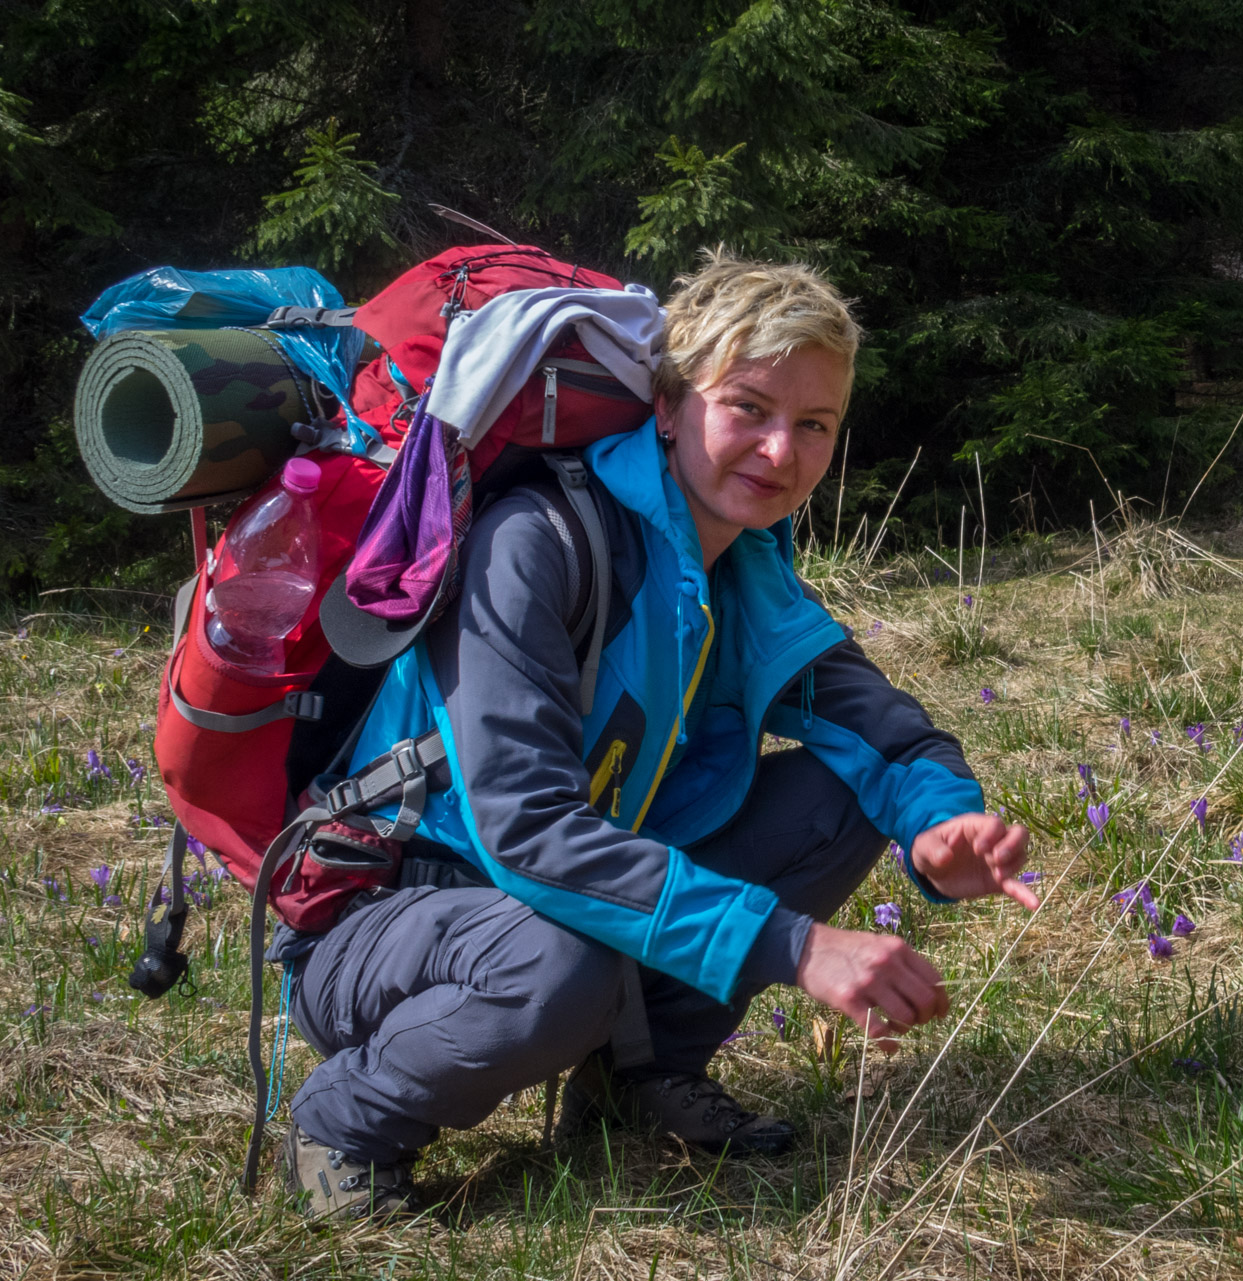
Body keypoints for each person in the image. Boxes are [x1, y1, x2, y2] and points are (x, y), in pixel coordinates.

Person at [272, 253, 1036, 1219]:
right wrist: (797, 947)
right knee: (561, 964)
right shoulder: (538, 542)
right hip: (381, 917)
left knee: (845, 791)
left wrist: (943, 824)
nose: (778, 451)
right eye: (748, 407)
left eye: (814, 425)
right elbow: (529, 831)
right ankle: (347, 1117)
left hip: (543, 909)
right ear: (668, 406)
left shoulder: (744, 573)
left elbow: (885, 732)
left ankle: (633, 1075)